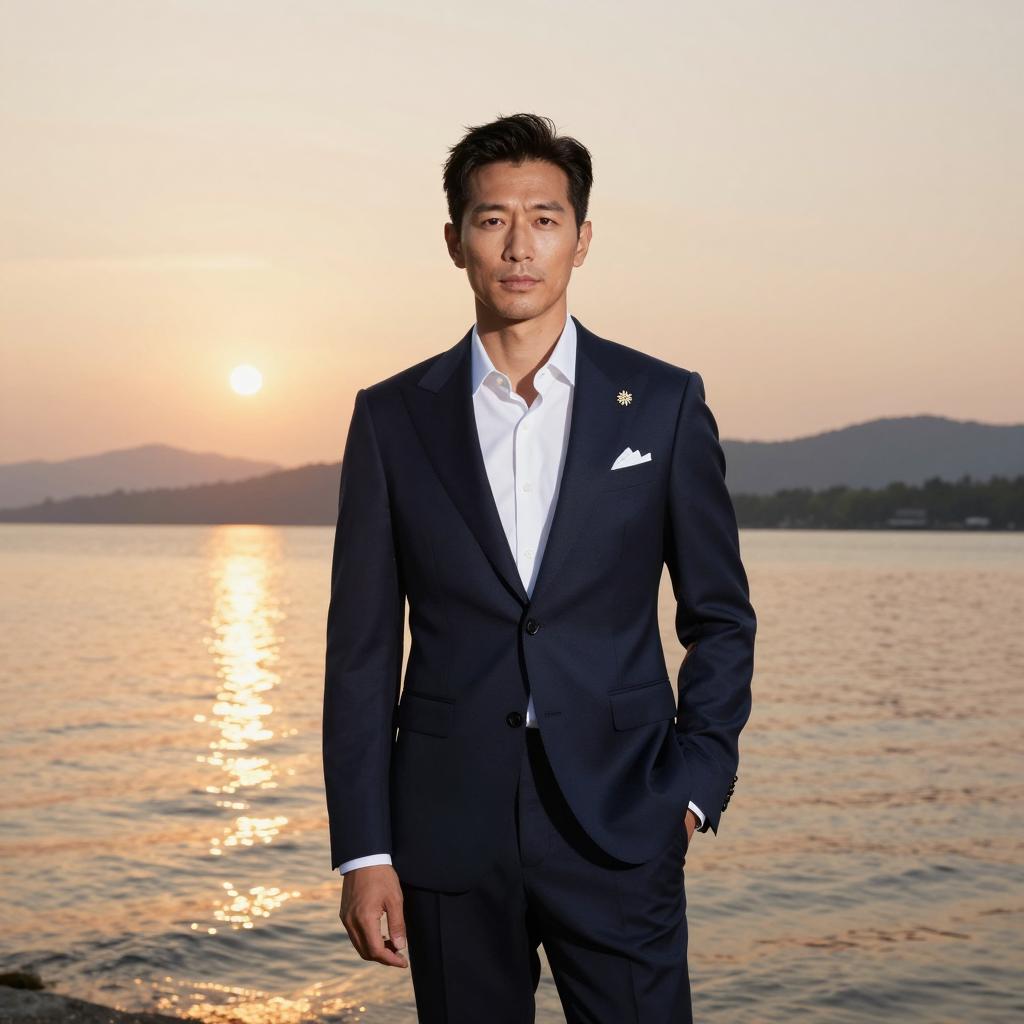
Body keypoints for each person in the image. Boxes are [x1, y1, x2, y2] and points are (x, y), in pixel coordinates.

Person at [322, 112, 756, 1023]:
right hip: (447, 826)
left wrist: (695, 785)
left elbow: (719, 618)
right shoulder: (392, 419)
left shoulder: (664, 403)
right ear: (455, 241)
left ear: (581, 239)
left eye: (545, 219)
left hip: (624, 815)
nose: (519, 246)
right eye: (492, 220)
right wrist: (365, 850)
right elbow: (360, 653)